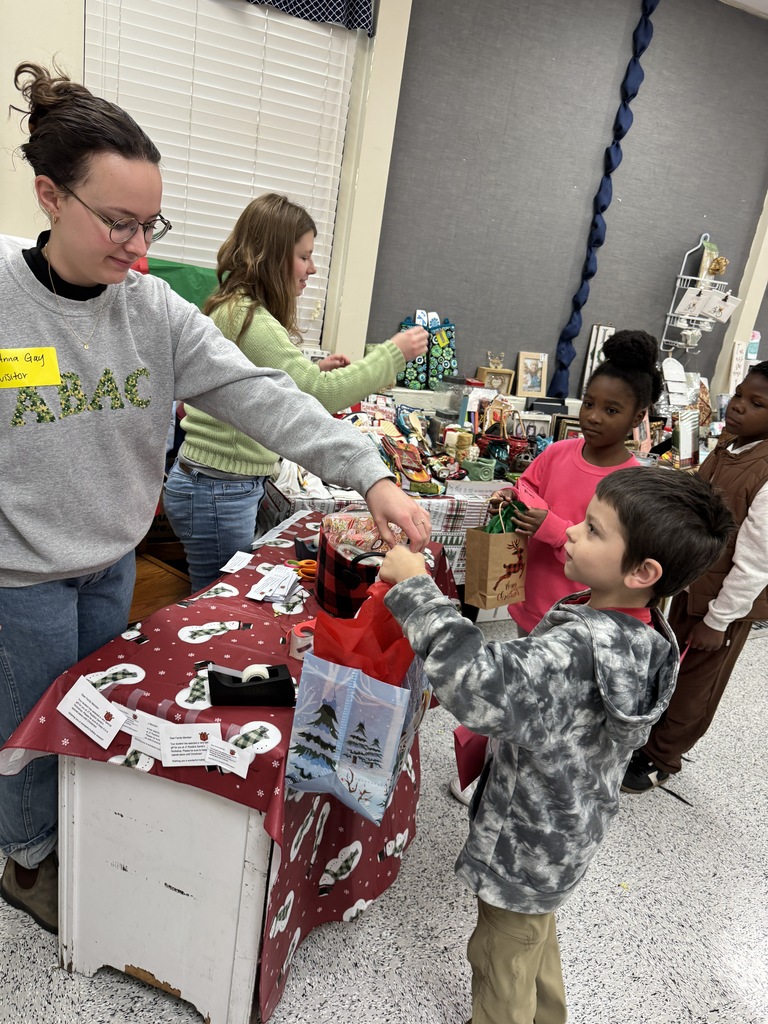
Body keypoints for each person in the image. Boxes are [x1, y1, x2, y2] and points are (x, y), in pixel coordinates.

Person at [0, 61, 430, 935]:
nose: (139, 248)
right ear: (49, 196)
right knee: (26, 732)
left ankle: (70, 835)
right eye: (118, 222)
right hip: (20, 578)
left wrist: (371, 472)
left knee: (93, 720)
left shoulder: (154, 310)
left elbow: (267, 396)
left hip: (109, 564)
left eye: (150, 223)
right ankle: (27, 857)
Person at [379, 468, 734, 1024]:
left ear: (643, 571)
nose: (569, 531)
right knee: (532, 941)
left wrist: (415, 590)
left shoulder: (578, 649)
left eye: (593, 530)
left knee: (500, 959)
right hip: (567, 831)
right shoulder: (645, 632)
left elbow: (480, 684)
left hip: (526, 838)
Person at [162, 193, 428, 592]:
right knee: (218, 600)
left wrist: (312, 371)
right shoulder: (251, 319)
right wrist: (393, 354)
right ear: (271, 257)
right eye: (304, 257)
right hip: (218, 489)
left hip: (214, 484)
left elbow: (263, 386)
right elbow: (319, 394)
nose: (312, 268)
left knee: (218, 593)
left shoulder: (234, 307)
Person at [451, 330, 663, 803]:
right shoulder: (558, 452)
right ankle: (491, 766)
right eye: (589, 403)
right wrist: (514, 497)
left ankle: (520, 779)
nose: (593, 416)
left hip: (578, 618)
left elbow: (614, 555)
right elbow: (527, 484)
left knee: (547, 699)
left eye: (611, 410)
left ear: (638, 417)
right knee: (519, 686)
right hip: (531, 598)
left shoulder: (633, 485)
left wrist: (550, 526)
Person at [623, 361, 768, 792]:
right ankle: (646, 738)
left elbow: (757, 562)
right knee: (669, 666)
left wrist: (719, 620)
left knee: (695, 685)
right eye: (738, 395)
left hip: (725, 603)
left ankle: (662, 757)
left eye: (756, 404)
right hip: (692, 583)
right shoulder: (730, 446)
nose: (738, 406)